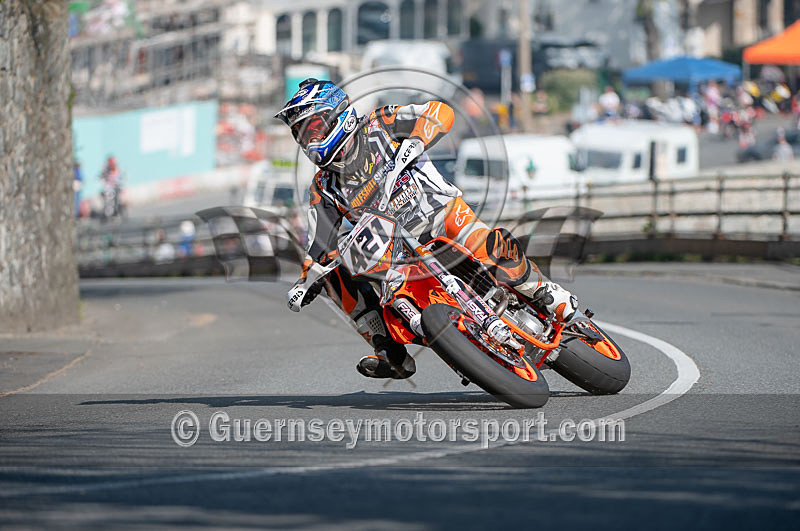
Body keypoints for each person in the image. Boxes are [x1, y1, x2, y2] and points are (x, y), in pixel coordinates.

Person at [276, 79, 579, 380]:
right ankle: (388, 351)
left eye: (311, 128)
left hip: (440, 214)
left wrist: (417, 140)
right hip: (396, 252)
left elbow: (439, 112)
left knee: (481, 241)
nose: (307, 139)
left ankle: (543, 290)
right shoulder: (323, 188)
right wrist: (307, 280)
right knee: (336, 278)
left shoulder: (380, 123)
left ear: (336, 115)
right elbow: (319, 243)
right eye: (300, 134)